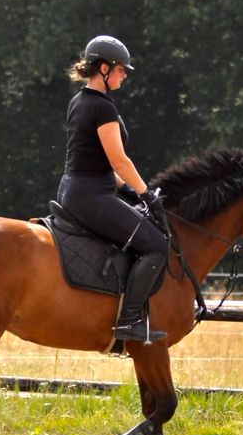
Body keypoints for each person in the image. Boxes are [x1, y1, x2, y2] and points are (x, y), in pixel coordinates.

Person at [56, 35, 169, 343]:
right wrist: (146, 194)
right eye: (121, 69)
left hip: (75, 189)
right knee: (157, 245)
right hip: (92, 197)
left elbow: (98, 162)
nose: (125, 75)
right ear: (103, 69)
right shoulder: (103, 108)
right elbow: (119, 161)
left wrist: (130, 192)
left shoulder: (79, 101)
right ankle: (129, 320)